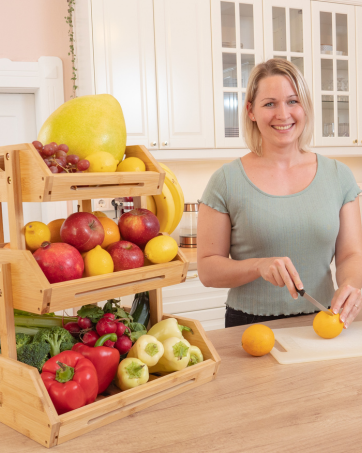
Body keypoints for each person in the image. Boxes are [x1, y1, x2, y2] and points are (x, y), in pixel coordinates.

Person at [197, 58, 362, 329]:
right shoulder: (226, 181)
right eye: (270, 103)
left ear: (305, 108)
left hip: (322, 320)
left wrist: (349, 286)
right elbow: (206, 269)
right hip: (249, 325)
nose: (283, 114)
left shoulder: (338, 176)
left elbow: (351, 255)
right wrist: (258, 266)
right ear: (251, 111)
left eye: (293, 101)